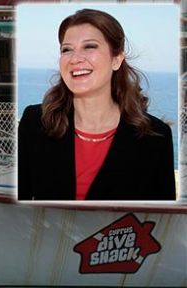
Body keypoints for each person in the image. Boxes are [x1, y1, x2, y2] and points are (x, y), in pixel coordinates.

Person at [18, 9, 175, 201]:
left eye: (89, 46)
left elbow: (162, 222)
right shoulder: (34, 123)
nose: (75, 59)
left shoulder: (156, 137)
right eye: (66, 49)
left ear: (116, 59)